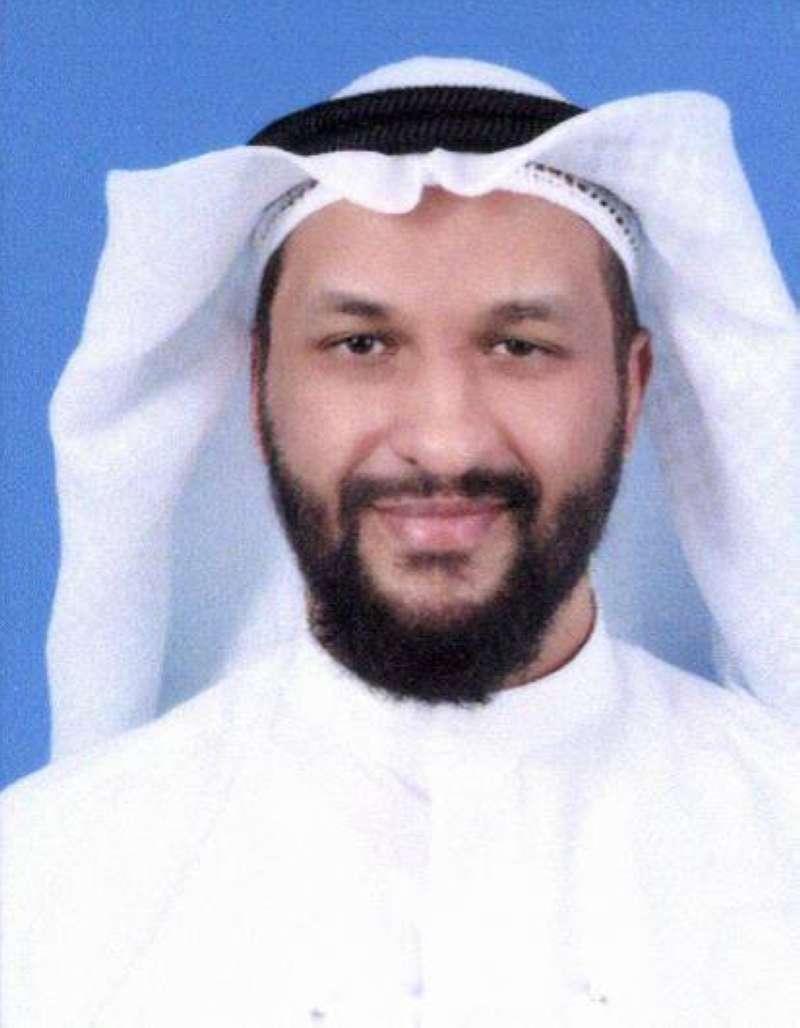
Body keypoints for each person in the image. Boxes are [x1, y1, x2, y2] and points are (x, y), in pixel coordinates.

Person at [2, 56, 799, 1026]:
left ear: (632, 391)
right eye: (360, 344)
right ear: (258, 389)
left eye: (520, 345)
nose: (444, 439)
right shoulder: (44, 888)